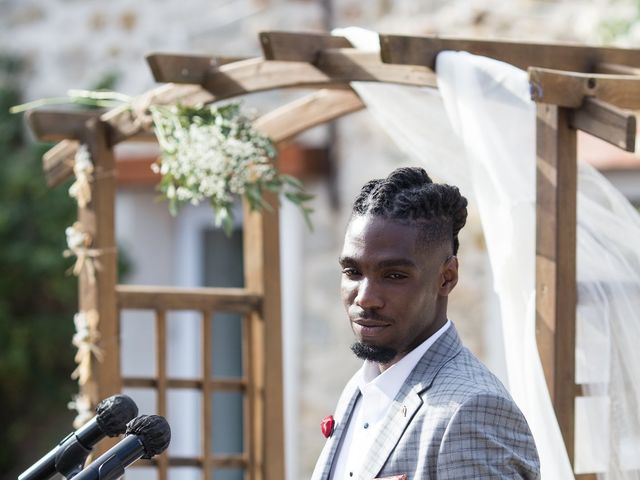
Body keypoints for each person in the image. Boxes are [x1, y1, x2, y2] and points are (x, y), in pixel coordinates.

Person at [311, 167, 540, 479]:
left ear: (447, 277)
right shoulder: (359, 387)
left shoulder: (471, 410)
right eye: (353, 272)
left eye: (394, 275)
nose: (365, 298)